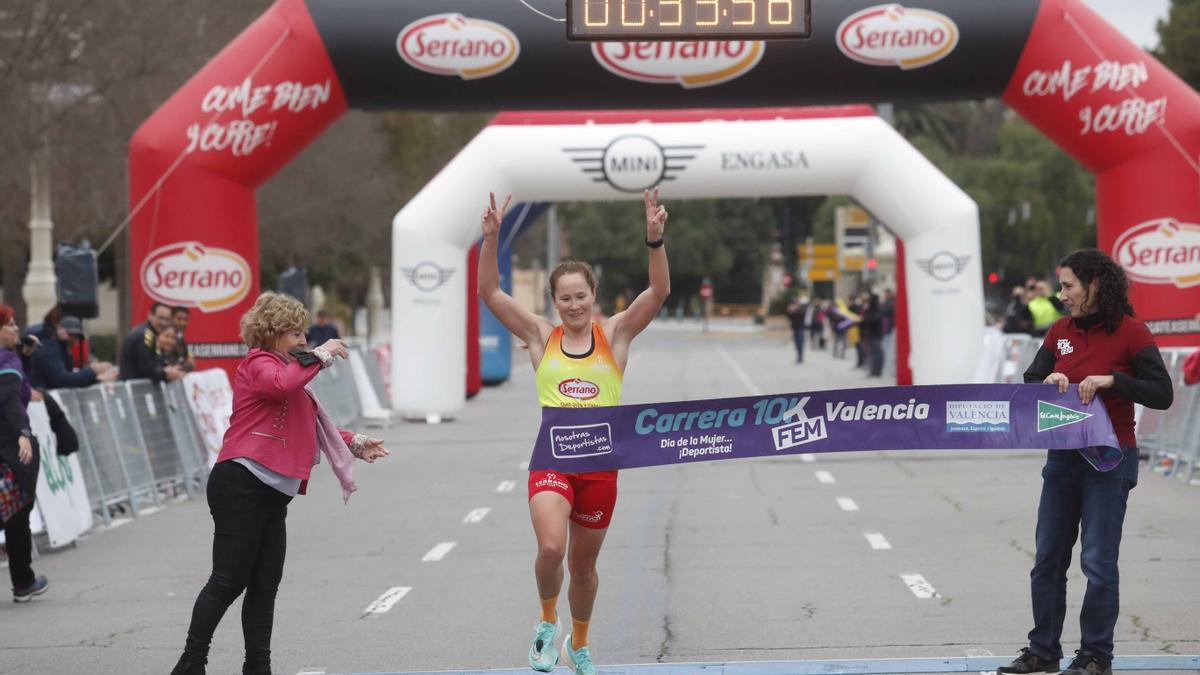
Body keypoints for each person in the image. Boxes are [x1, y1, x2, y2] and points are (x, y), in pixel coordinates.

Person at [479, 189, 670, 675]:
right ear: (554, 301)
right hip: (552, 461)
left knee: (583, 568)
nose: (573, 305)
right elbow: (490, 293)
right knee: (551, 549)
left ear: (593, 297)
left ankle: (578, 643)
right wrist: (492, 238)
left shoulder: (616, 334)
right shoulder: (541, 335)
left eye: (580, 296)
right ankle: (547, 622)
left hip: (601, 470)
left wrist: (654, 241)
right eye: (564, 298)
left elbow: (659, 292)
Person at [169, 293, 390, 675]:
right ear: (271, 334)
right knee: (227, 581)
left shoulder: (292, 371)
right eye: (295, 333)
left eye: (305, 333)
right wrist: (322, 353)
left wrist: (354, 442)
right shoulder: (259, 363)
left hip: (271, 494)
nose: (303, 340)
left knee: (265, 586)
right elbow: (279, 386)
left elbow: (309, 422)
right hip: (240, 482)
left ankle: (258, 667)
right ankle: (191, 663)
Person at [999, 249, 1173, 675]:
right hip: (1063, 458)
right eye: (1060, 286)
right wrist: (1050, 380)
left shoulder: (1132, 333)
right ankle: (1042, 652)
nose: (1062, 295)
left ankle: (1096, 655)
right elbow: (1031, 381)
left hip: (1110, 462)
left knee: (1097, 561)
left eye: (1069, 286)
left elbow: (1162, 392)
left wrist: (1115, 380)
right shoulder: (1060, 330)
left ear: (1095, 285)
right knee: (1048, 557)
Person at [0, 303, 50, 602]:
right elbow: (9, 400)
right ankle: (23, 582)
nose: (17, 329)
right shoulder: (7, 361)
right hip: (9, 449)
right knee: (18, 515)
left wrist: (25, 357)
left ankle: (24, 582)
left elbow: (18, 390)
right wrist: (22, 434)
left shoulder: (12, 359)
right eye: (10, 324)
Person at [27, 315, 115, 389]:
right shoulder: (49, 350)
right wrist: (92, 371)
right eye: (71, 334)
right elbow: (62, 380)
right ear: (59, 329)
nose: (73, 340)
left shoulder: (61, 350)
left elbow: (69, 377)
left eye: (77, 337)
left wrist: (96, 378)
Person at [120, 302, 182, 382]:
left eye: (167, 319)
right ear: (150, 315)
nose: (164, 323)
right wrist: (166, 373)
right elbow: (146, 369)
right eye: (160, 318)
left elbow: (156, 364)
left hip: (139, 390)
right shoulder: (145, 335)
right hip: (136, 391)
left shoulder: (151, 334)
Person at [169, 306, 196, 371]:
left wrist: (190, 360)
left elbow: (190, 358)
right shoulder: (166, 337)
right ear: (171, 318)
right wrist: (188, 365)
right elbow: (171, 365)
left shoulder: (180, 336)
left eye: (186, 320)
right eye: (179, 319)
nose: (182, 323)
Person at [785, 296, 807, 364]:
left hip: (800, 328)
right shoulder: (791, 312)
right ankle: (798, 356)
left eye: (795, 304)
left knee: (800, 343)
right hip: (795, 329)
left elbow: (802, 315)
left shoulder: (801, 310)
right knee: (796, 343)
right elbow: (789, 317)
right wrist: (789, 310)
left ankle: (800, 357)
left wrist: (795, 310)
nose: (793, 306)